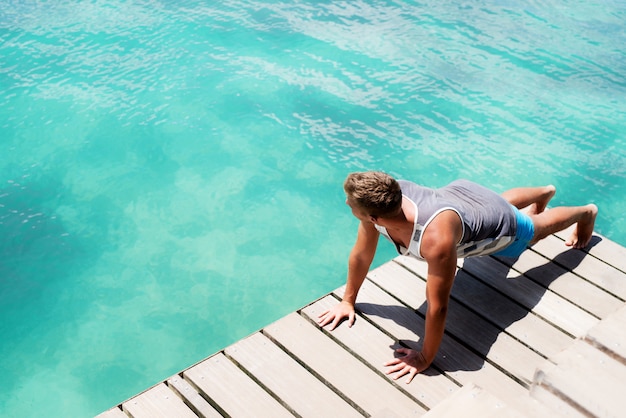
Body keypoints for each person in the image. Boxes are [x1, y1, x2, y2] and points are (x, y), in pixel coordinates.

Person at [318, 171, 598, 383]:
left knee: (532, 229)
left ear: (374, 217)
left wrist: (425, 356)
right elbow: (361, 255)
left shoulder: (435, 241)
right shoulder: (386, 199)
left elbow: (438, 305)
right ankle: (544, 191)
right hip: (464, 198)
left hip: (494, 224)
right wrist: (347, 301)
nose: (346, 203)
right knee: (496, 205)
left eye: (351, 203)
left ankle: (585, 212)